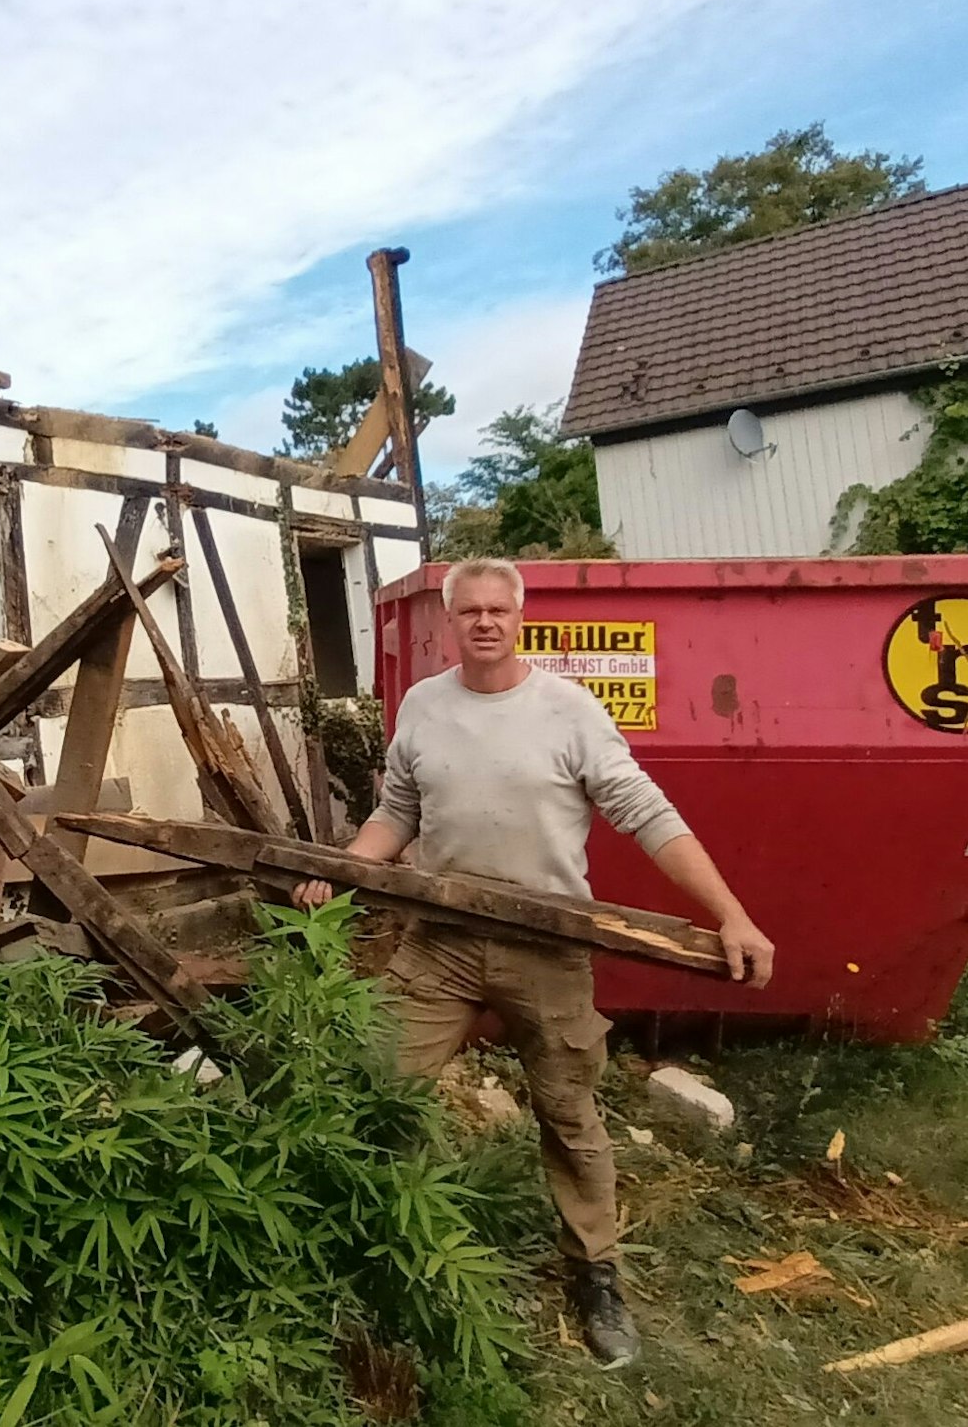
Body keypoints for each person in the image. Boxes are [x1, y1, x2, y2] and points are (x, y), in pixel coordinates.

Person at [290, 557, 774, 1369]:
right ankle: (372, 1247)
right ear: (449, 623)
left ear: (520, 617)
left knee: (568, 1115)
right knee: (373, 1085)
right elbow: (398, 811)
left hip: (547, 949)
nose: (483, 622)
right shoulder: (422, 705)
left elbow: (646, 813)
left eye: (497, 610)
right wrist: (343, 872)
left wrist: (730, 915)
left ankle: (595, 1270)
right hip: (439, 940)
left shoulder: (566, 710)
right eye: (469, 611)